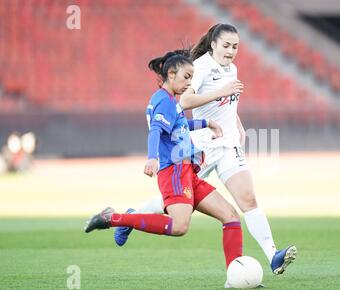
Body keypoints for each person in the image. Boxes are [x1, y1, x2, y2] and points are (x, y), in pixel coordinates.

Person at [117, 24, 297, 275]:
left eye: (235, 47)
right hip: (200, 147)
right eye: (226, 45)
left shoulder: (231, 69)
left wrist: (238, 125)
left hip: (227, 145)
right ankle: (133, 217)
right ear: (213, 44)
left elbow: (227, 105)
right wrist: (220, 92)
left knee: (248, 199)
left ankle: (273, 256)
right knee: (178, 200)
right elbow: (186, 101)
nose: (231, 51)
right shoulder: (200, 67)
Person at [85, 50, 244, 273]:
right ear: (171, 73)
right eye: (186, 77)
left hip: (188, 171)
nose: (189, 83)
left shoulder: (171, 101)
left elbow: (178, 127)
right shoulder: (162, 101)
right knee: (180, 226)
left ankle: (236, 274)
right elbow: (156, 131)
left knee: (230, 215)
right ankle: (115, 218)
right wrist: (152, 158)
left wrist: (206, 123)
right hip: (174, 171)